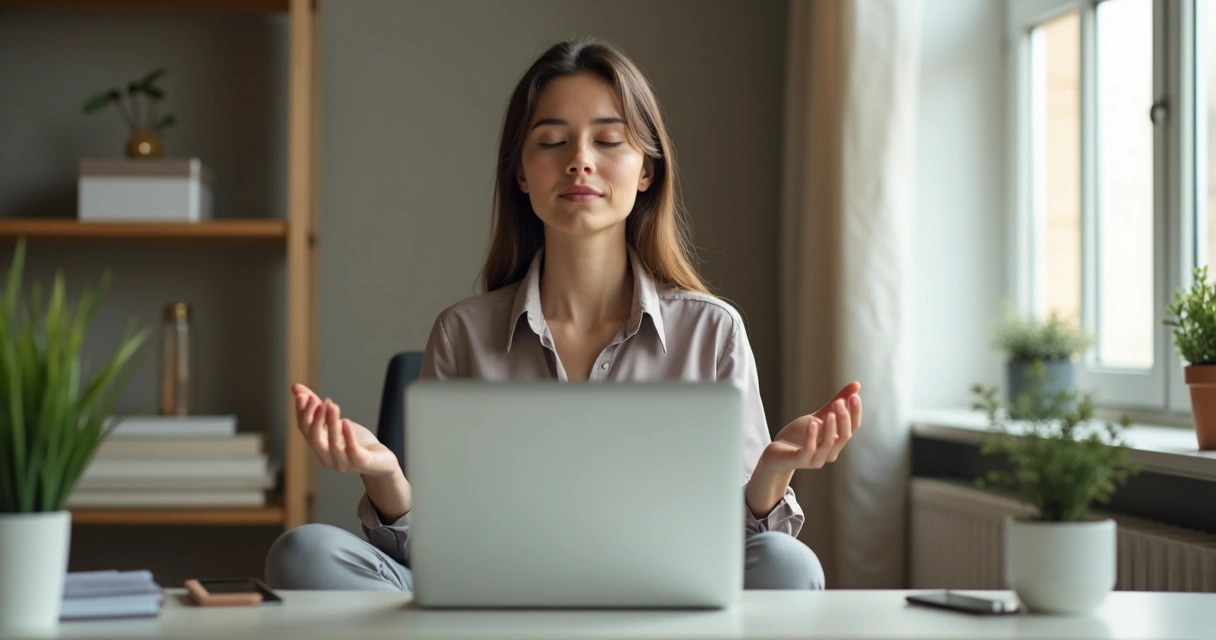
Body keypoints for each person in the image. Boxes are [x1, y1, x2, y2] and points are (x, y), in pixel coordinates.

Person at [265, 37, 862, 592]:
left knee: (790, 564)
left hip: (657, 596)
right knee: (307, 553)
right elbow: (437, 554)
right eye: (552, 141)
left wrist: (773, 474)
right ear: (522, 172)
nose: (580, 161)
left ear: (646, 170)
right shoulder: (463, 333)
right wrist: (385, 477)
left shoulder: (712, 331)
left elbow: (740, 554)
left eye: (608, 140)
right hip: (496, 598)